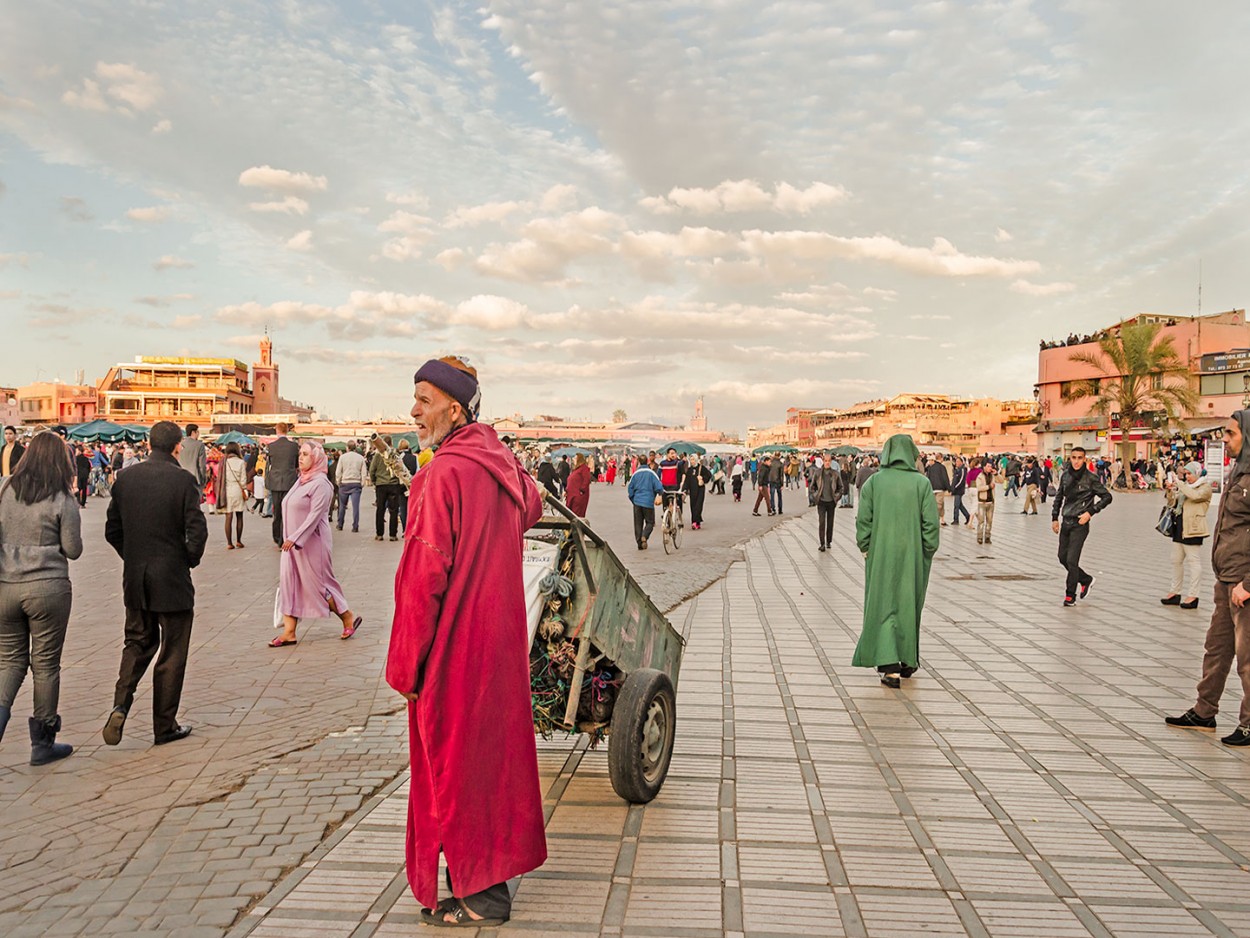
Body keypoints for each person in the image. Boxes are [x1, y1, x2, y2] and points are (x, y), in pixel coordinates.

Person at [387, 357, 546, 926]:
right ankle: (491, 880)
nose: (413, 411)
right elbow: (534, 504)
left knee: (450, 771)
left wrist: (405, 667)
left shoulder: (440, 475)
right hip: (499, 642)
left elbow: (421, 582)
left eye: (423, 400)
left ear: (454, 408)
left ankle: (478, 895)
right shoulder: (497, 464)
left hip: (453, 650)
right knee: (491, 762)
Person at [102, 421, 207, 747]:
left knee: (136, 641)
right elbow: (197, 531)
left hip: (136, 578)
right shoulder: (183, 481)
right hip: (172, 579)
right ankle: (164, 725)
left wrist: (133, 557)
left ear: (149, 444)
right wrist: (187, 559)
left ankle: (121, 704)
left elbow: (112, 530)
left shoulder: (126, 479)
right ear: (178, 446)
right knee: (172, 651)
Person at [1166, 413, 1250, 745]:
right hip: (1226, 579)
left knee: (1247, 658)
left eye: (1231, 433)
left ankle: (1248, 723)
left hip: (1243, 583)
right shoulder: (1239, 471)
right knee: (1217, 649)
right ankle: (1204, 711)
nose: (1225, 439)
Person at [0, 432, 83, 764]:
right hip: (48, 589)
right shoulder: (62, 497)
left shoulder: (4, 488)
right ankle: (43, 743)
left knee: (9, 662)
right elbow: (73, 550)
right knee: (46, 664)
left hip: (5, 586)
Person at [853, 434, 939, 689]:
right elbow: (931, 526)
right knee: (908, 603)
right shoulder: (921, 484)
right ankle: (906, 659)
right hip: (911, 555)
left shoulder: (874, 483)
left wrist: (866, 547)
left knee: (883, 603)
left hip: (880, 555)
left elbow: (863, 521)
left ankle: (889, 667)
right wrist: (926, 551)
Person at [270, 442, 361, 647]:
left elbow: (315, 516)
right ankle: (289, 632)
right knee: (289, 583)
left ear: (317, 458)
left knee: (319, 586)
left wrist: (296, 538)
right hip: (291, 544)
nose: (300, 458)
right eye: (300, 454)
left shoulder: (321, 484)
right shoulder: (302, 480)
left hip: (312, 544)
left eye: (305, 454)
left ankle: (347, 617)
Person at [1051, 446, 1113, 607]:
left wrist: (1090, 512)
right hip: (1066, 522)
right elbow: (1058, 498)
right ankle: (1086, 579)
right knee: (1062, 558)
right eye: (1074, 458)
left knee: (1072, 560)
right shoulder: (1065, 476)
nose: (1076, 461)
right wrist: (1054, 518)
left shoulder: (1090, 478)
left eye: (1080, 458)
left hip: (1080, 524)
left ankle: (1070, 596)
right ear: (1070, 459)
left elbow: (1107, 497)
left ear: (1084, 459)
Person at [1161, 461, 1211, 609]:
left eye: (1189, 474)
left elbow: (1194, 496)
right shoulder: (1186, 487)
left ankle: (1193, 595)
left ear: (1197, 473)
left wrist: (1180, 484)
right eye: (1186, 474)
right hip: (1179, 527)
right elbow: (1172, 502)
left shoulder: (1205, 487)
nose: (1187, 477)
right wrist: (1170, 490)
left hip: (1194, 528)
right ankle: (1175, 592)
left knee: (1193, 561)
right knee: (1176, 560)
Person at [266, 424, 300, 547]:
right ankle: (284, 536)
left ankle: (276, 537)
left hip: (275, 482)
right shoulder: (294, 446)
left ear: (277, 430)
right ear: (287, 431)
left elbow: (270, 464)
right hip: (289, 481)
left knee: (277, 511)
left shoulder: (271, 446)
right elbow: (296, 464)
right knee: (287, 511)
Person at [214, 441, 250, 550]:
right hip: (237, 491)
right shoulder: (240, 462)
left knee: (228, 517)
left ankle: (229, 543)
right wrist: (244, 489)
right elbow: (243, 480)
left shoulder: (223, 462)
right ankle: (238, 541)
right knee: (239, 516)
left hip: (227, 491)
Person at [369, 436, 404, 541]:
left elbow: (372, 470)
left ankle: (379, 534)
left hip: (381, 485)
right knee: (393, 511)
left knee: (380, 509)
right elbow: (401, 468)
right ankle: (393, 535)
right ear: (391, 443)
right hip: (394, 485)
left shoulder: (377, 455)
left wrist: (375, 481)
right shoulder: (395, 454)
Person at [627, 455, 663, 549]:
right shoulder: (651, 473)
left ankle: (639, 544)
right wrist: (660, 494)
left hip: (637, 502)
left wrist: (633, 500)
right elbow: (659, 487)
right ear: (647, 461)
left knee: (638, 524)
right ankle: (645, 535)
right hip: (648, 502)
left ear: (638, 462)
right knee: (650, 522)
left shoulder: (635, 474)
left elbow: (630, 489)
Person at [812, 450, 844, 552]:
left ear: (831, 462)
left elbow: (841, 487)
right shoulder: (817, 473)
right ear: (823, 461)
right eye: (825, 460)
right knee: (822, 522)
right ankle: (822, 543)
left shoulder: (835, 474)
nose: (827, 462)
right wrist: (815, 495)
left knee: (830, 522)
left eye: (829, 461)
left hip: (831, 502)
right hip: (821, 501)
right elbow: (812, 487)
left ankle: (828, 541)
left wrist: (837, 497)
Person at [335, 439, 367, 532]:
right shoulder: (360, 458)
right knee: (355, 506)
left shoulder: (342, 457)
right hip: (356, 483)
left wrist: (338, 481)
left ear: (347, 448)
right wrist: (362, 483)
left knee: (342, 505)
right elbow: (364, 472)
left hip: (344, 483)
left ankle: (340, 524)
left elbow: (338, 471)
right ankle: (355, 526)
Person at [176, 423, 208, 493]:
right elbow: (202, 466)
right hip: (195, 479)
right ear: (193, 432)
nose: (198, 434)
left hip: (181, 479)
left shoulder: (179, 444)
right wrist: (203, 480)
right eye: (198, 432)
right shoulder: (199, 445)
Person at [685, 455, 711, 530]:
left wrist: (702, 478)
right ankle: (694, 522)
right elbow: (687, 481)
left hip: (700, 490)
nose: (692, 461)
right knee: (693, 506)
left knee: (698, 506)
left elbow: (709, 475)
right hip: (692, 490)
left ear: (696, 459)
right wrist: (685, 490)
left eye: (693, 459)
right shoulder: (689, 470)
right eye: (691, 459)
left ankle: (697, 522)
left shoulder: (701, 468)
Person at [924, 455, 950, 526]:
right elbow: (945, 478)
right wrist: (949, 488)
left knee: (940, 504)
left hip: (932, 488)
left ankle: (942, 519)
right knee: (939, 504)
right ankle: (936, 519)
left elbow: (927, 478)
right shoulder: (942, 467)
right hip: (940, 488)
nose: (929, 462)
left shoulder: (930, 468)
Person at [975, 460, 997, 545]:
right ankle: (979, 537)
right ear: (984, 467)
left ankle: (987, 537)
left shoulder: (992, 476)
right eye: (988, 466)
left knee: (989, 521)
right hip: (982, 502)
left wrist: (996, 473)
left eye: (991, 466)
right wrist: (989, 487)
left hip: (991, 502)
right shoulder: (980, 476)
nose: (990, 468)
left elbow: (1001, 480)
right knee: (981, 521)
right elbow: (979, 488)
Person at [565, 453, 592, 517]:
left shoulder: (584, 468)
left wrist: (582, 490)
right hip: (572, 494)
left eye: (575, 458)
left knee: (577, 514)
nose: (573, 459)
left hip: (578, 496)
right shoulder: (577, 469)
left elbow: (587, 480)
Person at [950, 456, 971, 527]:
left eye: (958, 461)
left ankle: (956, 519)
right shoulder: (957, 469)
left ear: (962, 462)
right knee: (960, 505)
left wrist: (955, 487)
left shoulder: (962, 470)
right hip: (956, 490)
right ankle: (968, 516)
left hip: (959, 490)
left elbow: (961, 480)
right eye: (956, 461)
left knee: (956, 505)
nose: (957, 463)